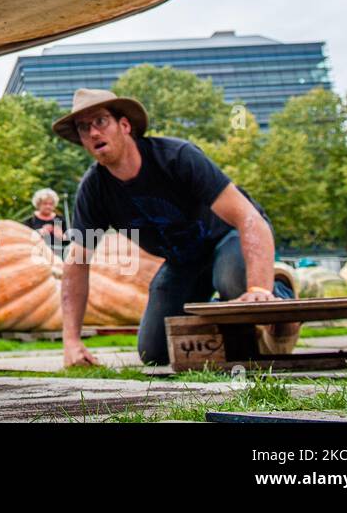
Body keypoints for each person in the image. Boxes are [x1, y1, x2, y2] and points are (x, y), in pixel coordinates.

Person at [55, 89, 297, 368]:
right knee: (154, 352)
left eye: (100, 121)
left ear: (124, 125)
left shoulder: (177, 157)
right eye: (84, 128)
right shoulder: (94, 189)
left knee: (234, 284)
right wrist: (71, 342)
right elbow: (77, 261)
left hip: (225, 239)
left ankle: (278, 291)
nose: (93, 133)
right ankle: (221, 315)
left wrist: (258, 287)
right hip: (183, 262)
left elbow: (249, 218)